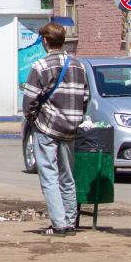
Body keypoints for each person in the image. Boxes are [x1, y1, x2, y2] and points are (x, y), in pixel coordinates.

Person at [22, 22, 90, 236]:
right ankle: (70, 223)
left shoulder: (40, 66)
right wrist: (75, 119)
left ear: (44, 41)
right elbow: (85, 97)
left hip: (47, 128)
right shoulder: (79, 66)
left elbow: (30, 100)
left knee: (49, 176)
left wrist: (33, 119)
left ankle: (59, 224)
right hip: (70, 129)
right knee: (67, 176)